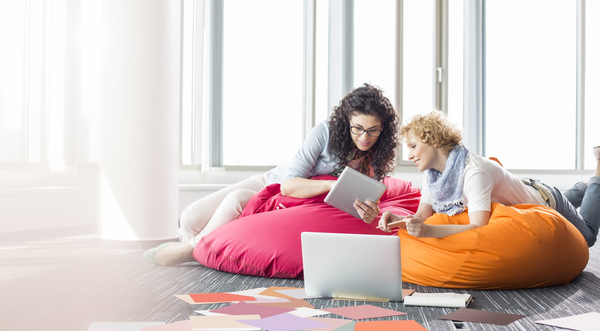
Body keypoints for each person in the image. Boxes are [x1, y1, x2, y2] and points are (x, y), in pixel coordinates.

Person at [145, 83, 400, 265]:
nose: (364, 137)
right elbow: (289, 184)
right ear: (346, 123)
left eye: (373, 130)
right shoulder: (325, 132)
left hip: (294, 205)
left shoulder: (376, 155)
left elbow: (365, 200)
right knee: (190, 218)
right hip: (274, 182)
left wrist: (370, 211)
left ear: (382, 129)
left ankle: (191, 250)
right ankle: (197, 253)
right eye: (357, 128)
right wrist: (330, 185)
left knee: (235, 201)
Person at [379, 110, 600, 248]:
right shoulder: (433, 177)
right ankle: (582, 189)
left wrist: (429, 231)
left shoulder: (473, 172)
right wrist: (397, 219)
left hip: (547, 201)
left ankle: (596, 177)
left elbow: (478, 226)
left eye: (413, 146)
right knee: (567, 199)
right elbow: (420, 216)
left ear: (434, 140)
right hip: (524, 188)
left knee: (588, 238)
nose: (409, 156)